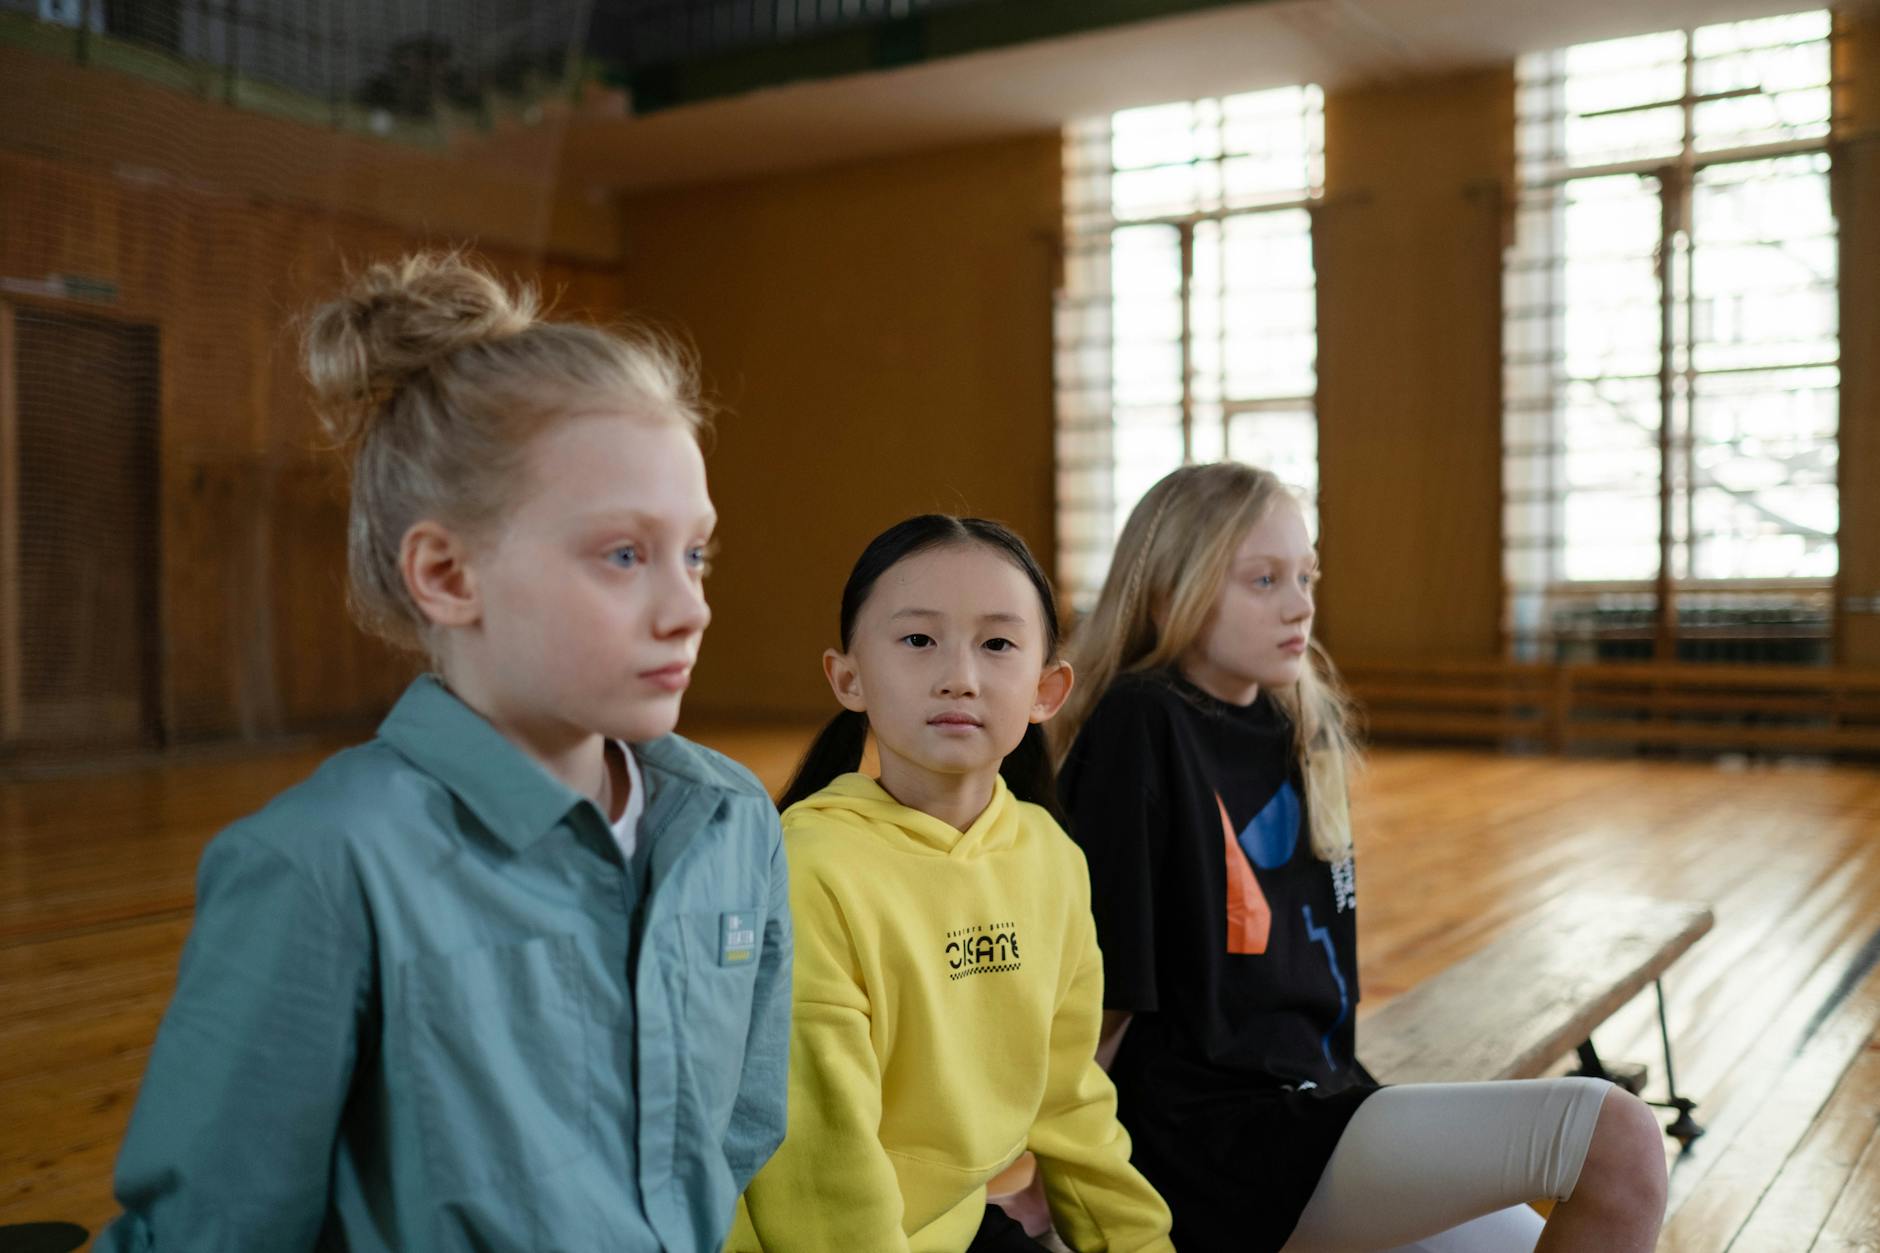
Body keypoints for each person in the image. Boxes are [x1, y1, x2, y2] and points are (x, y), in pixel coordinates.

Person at [96, 253, 790, 1252]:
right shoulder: (322, 864)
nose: (689, 607)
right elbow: (213, 1231)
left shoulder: (731, 818)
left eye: (695, 552)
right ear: (447, 571)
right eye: (624, 555)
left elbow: (735, 1133)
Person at [1055, 462, 1668, 1253]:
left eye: (1307, 575)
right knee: (1617, 1140)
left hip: (1322, 1110)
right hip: (1218, 1144)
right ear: (1172, 589)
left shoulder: (1289, 719)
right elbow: (1101, 993)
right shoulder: (1143, 721)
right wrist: (1058, 1188)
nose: (1301, 602)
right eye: (1265, 579)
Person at [729, 515, 1173, 1253]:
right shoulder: (811, 866)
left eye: (997, 643)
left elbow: (1071, 1100)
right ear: (849, 677)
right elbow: (820, 1162)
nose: (958, 676)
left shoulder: (1052, 858)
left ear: (1047, 688)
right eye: (917, 640)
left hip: (952, 1221)